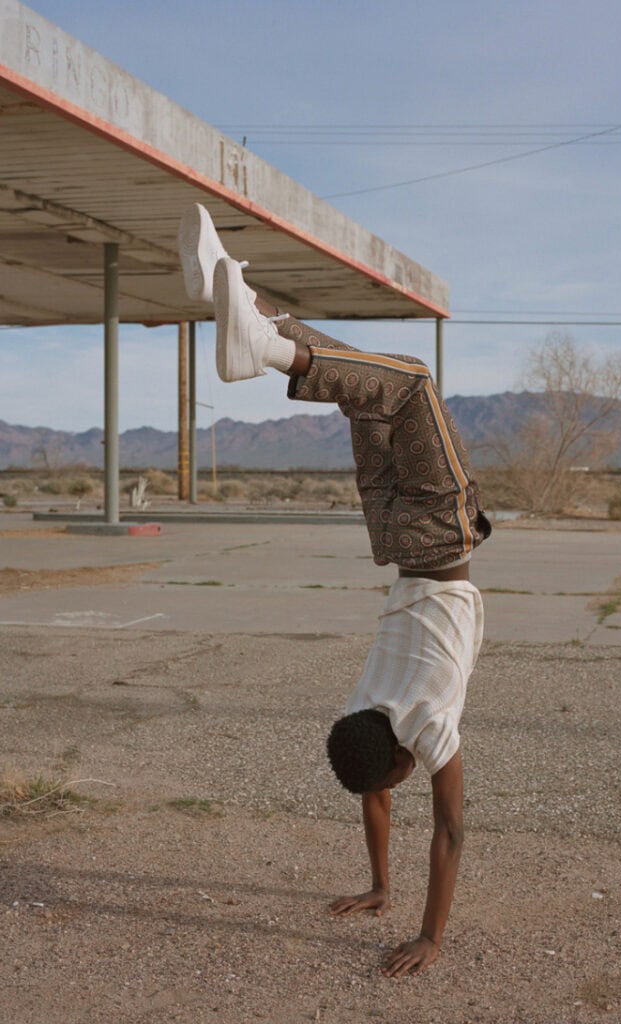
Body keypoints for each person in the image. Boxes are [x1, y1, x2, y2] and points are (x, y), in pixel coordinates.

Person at [178, 204, 491, 978]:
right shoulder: (366, 704)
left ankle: (258, 338)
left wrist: (426, 930)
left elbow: (448, 830)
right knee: (367, 386)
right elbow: (372, 788)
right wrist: (378, 889)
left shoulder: (419, 724)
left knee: (409, 382)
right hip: (389, 539)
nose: (384, 796)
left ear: (396, 759)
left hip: (437, 540)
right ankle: (254, 320)